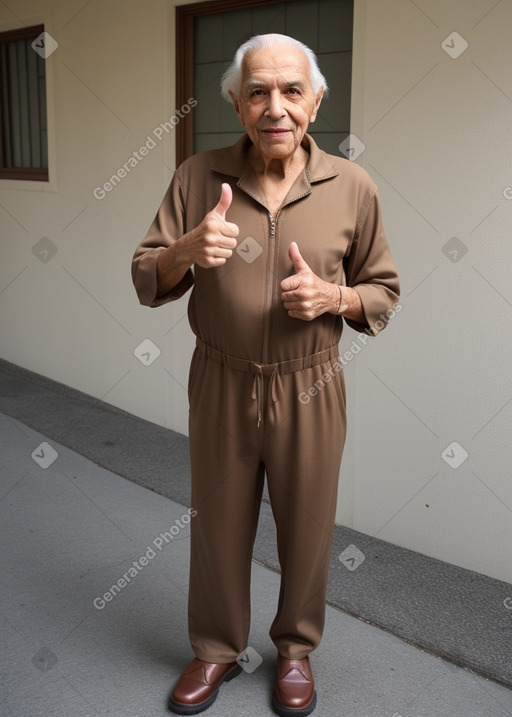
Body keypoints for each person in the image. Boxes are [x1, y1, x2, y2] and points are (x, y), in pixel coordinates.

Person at [132, 33, 400, 717]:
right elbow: (145, 272)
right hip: (220, 379)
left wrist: (334, 298)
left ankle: (296, 650)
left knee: (308, 526)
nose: (274, 107)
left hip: (309, 383)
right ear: (235, 101)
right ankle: (216, 648)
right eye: (257, 91)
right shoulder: (198, 175)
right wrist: (186, 250)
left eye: (290, 90)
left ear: (315, 99)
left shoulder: (353, 186)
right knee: (217, 521)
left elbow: (384, 291)